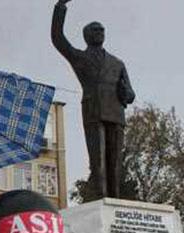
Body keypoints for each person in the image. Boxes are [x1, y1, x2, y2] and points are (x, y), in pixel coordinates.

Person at [51, 0, 135, 199]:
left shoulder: (117, 63)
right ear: (86, 36)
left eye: (102, 30)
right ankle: (101, 198)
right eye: (95, 30)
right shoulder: (79, 57)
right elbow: (57, 38)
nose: (99, 32)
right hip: (93, 112)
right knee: (98, 162)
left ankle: (115, 201)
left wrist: (126, 93)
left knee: (115, 163)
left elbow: (130, 93)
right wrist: (60, 6)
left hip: (116, 113)